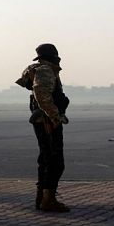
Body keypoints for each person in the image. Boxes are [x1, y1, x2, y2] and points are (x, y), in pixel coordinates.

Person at [15, 43, 71, 212]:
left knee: (46, 158)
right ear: (54, 57)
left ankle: (42, 198)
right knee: (55, 161)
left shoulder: (38, 70)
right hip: (47, 121)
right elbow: (41, 93)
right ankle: (48, 199)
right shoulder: (46, 70)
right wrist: (54, 115)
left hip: (43, 119)